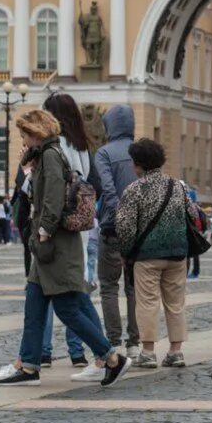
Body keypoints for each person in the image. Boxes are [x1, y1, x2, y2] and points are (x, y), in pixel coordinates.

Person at [0, 110, 126, 386]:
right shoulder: (45, 154)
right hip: (48, 247)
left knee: (68, 309)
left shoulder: (51, 155)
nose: (23, 140)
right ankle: (28, 366)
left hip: (55, 245)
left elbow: (51, 198)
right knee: (34, 305)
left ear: (37, 132)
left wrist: (43, 231)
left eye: (25, 134)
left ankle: (111, 357)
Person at [113, 138, 202, 369]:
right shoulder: (177, 186)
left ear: (139, 164)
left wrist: (125, 253)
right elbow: (193, 215)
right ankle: (176, 351)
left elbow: (125, 226)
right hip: (177, 254)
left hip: (147, 256)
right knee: (176, 303)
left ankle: (148, 352)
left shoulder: (134, 189)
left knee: (147, 303)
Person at [42, 92, 101, 377]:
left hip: (59, 228)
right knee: (76, 291)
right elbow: (94, 186)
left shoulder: (56, 148)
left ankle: (103, 354)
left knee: (68, 295)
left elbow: (50, 188)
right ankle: (81, 352)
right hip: (84, 227)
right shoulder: (83, 147)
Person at [93, 104, 141, 356]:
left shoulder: (104, 153)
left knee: (109, 286)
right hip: (140, 229)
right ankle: (135, 343)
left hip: (112, 227)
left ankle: (114, 341)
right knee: (134, 287)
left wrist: (118, 214)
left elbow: (108, 189)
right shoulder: (140, 150)